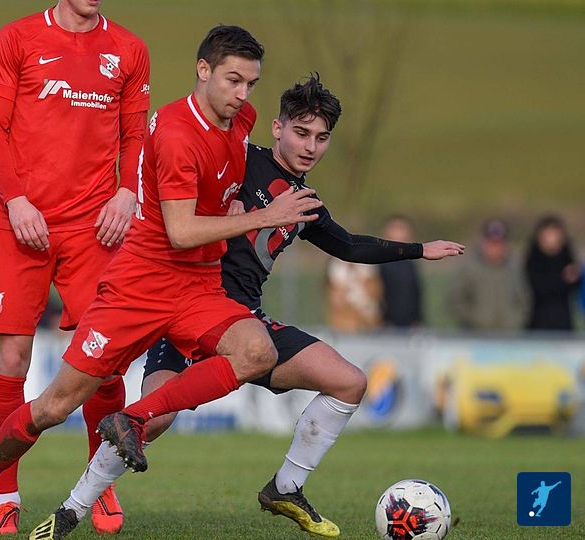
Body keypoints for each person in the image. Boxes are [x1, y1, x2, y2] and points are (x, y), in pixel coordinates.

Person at [0, 24, 325, 540]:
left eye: (251, 83)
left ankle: (131, 421)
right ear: (203, 70)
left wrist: (241, 201)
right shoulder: (177, 134)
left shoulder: (241, 119)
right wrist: (264, 216)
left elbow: (224, 182)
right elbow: (181, 232)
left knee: (256, 352)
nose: (242, 94)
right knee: (53, 406)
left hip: (198, 287)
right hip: (141, 285)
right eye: (233, 81)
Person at [39, 75, 465, 538]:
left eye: (321, 137)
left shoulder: (304, 203)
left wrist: (419, 250)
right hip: (189, 308)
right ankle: (71, 510)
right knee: (151, 421)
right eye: (301, 133)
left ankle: (286, 488)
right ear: (278, 128)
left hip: (245, 323)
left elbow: (349, 245)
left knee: (349, 382)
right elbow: (184, 193)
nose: (310, 147)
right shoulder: (240, 160)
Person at [0, 0, 150, 534]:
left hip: (95, 226)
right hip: (21, 220)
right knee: (11, 358)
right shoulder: (16, 39)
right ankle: (6, 497)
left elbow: (136, 135)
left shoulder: (129, 49)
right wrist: (16, 200)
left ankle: (99, 484)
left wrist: (127, 191)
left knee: (104, 360)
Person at [447, 218, 530, 331]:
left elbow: (524, 300)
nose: (495, 248)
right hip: (475, 334)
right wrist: (472, 320)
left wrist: (514, 321)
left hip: (508, 335)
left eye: (499, 243)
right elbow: (455, 299)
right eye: (491, 243)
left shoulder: (515, 268)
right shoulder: (469, 268)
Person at [525, 215, 580, 331]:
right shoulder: (533, 261)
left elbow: (576, 287)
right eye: (547, 236)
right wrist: (563, 279)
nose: (551, 240)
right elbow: (540, 287)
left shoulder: (567, 259)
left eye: (554, 236)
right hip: (537, 325)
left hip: (564, 325)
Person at [378, 215, 423, 328]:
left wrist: (417, 320)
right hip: (386, 326)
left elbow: (415, 295)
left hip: (408, 325)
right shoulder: (378, 265)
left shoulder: (410, 265)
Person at [325, 258, 383, 332]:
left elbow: (375, 291)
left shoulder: (369, 265)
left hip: (367, 315)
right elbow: (336, 298)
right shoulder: (336, 266)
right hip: (347, 313)